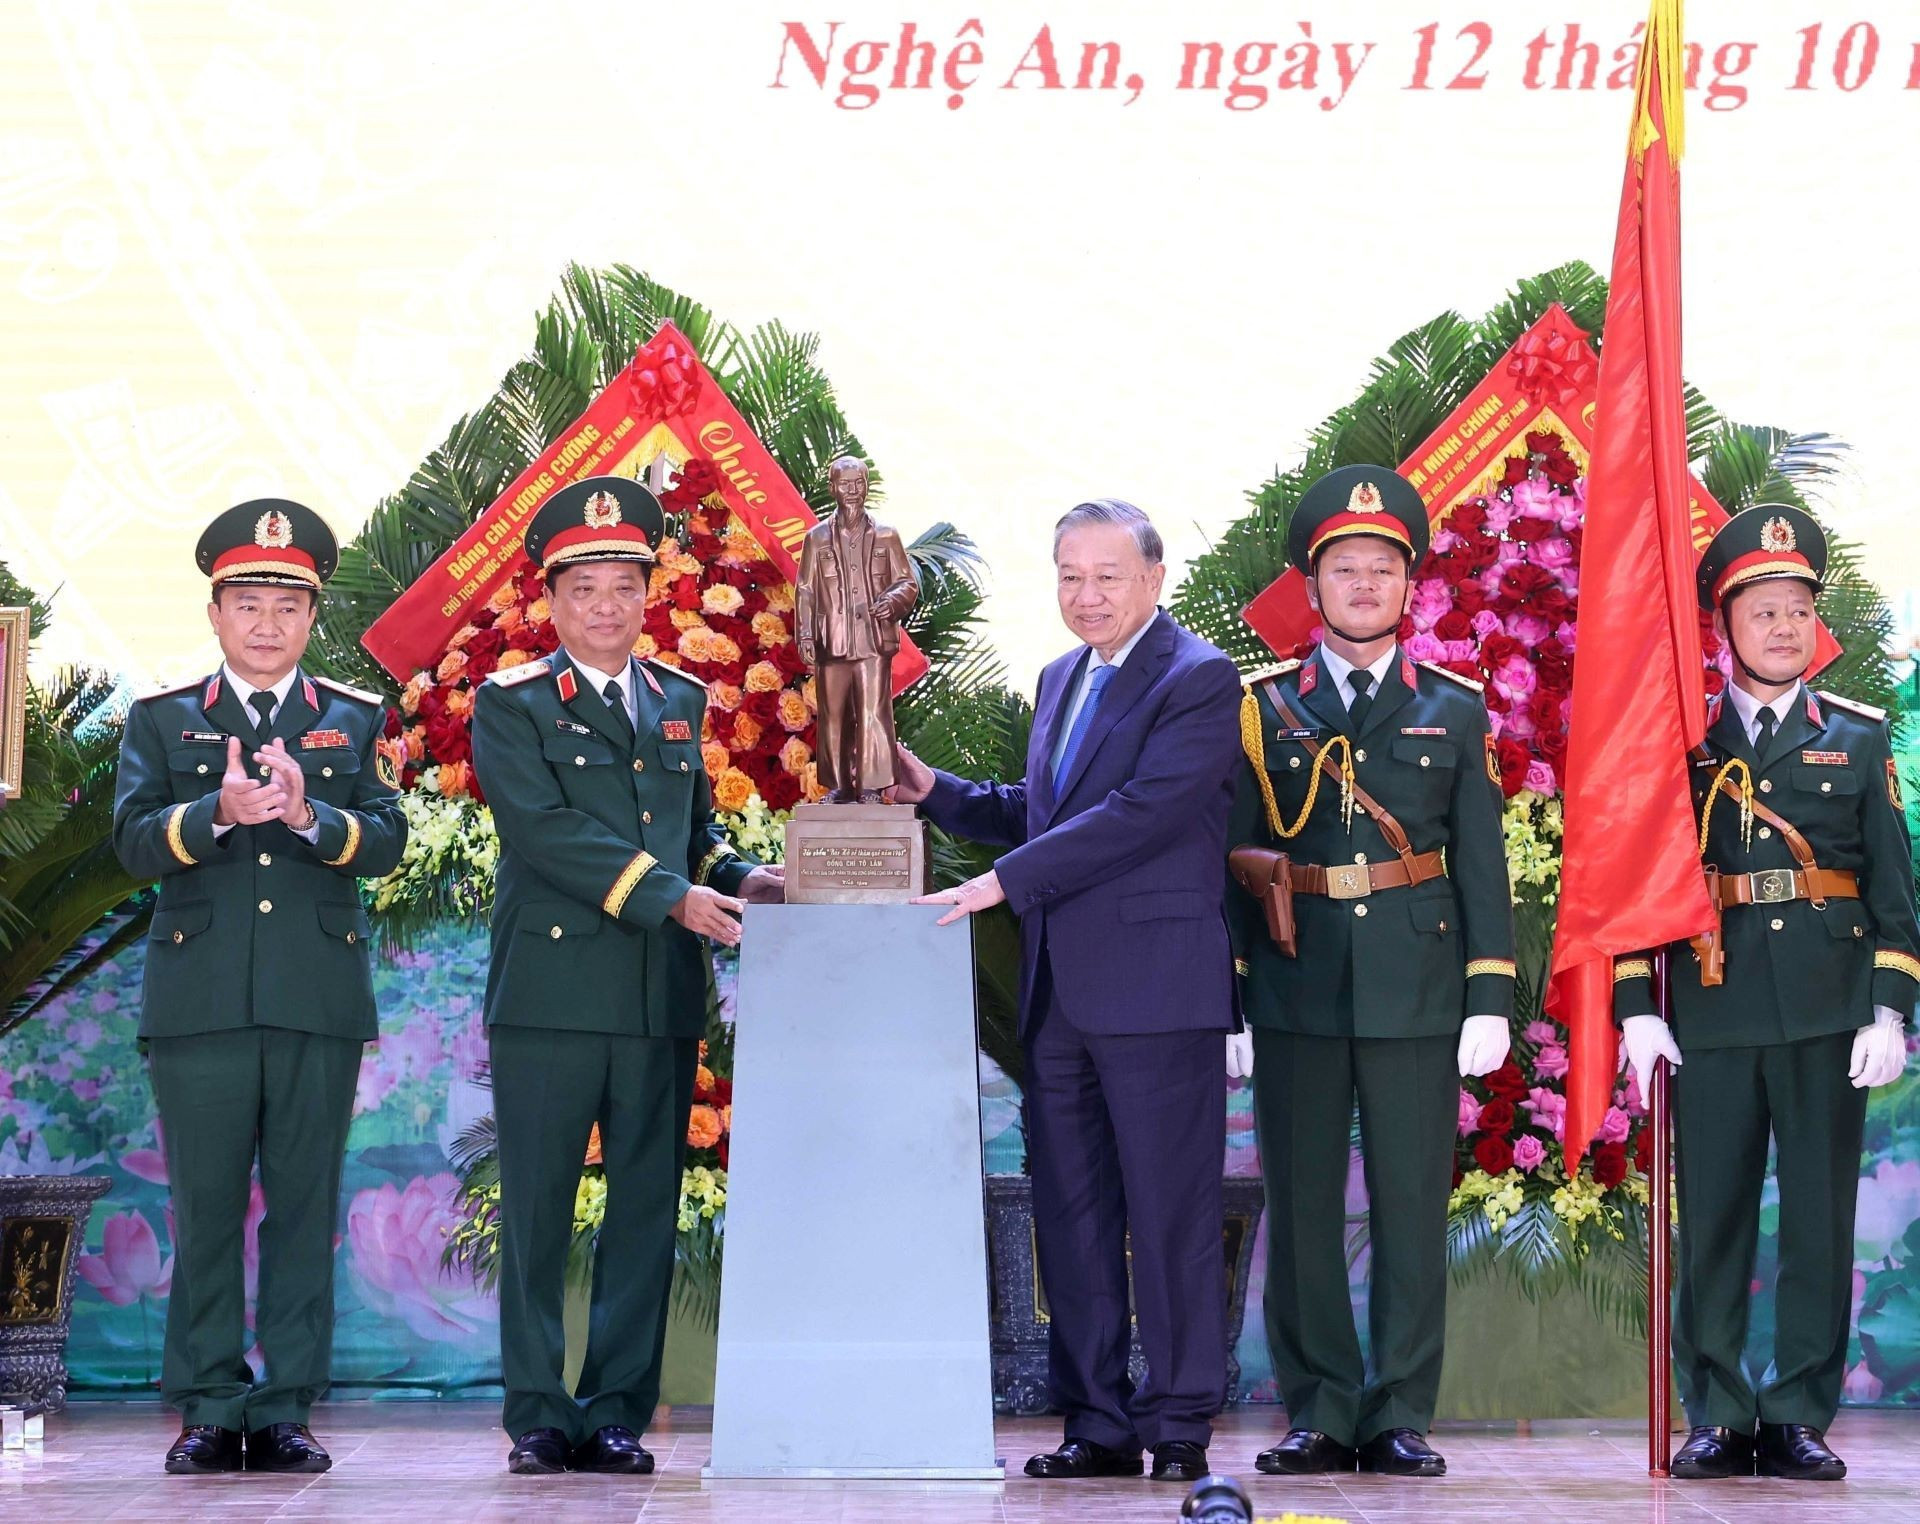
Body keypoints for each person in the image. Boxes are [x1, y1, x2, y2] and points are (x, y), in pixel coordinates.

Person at [893, 498, 1241, 1485]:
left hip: (1158, 994)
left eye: (1108, 577)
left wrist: (1002, 883)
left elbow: (1141, 815)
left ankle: (1177, 1424)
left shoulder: (1199, 677)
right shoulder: (1059, 677)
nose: (1086, 597)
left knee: (1170, 1214)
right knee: (1073, 1214)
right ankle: (1095, 1422)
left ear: (1154, 580)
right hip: (1061, 997)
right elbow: (1047, 813)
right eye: (1069, 577)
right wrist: (936, 790)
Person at [470, 474, 784, 1476]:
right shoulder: (511, 703)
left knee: (646, 1208)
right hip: (554, 997)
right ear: (551, 601)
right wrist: (675, 897)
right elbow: (547, 832)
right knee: (538, 1211)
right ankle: (535, 1415)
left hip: (656, 993)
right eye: (585, 588)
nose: (606, 606)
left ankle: (615, 1409)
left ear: (648, 593)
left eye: (623, 586)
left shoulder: (681, 698)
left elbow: (694, 834)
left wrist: (747, 875)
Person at [1613, 504, 1917, 1482]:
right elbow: (1637, 886)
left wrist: (1888, 1009)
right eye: (1763, 612)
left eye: (1797, 611)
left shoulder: (1860, 743)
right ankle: (1719, 1410)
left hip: (1828, 1009)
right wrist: (1637, 1006)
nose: (1783, 628)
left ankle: (1797, 1413)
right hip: (1711, 1002)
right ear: (1724, 627)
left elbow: (1894, 895)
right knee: (1714, 1217)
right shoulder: (1679, 743)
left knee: (1821, 1220)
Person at [1226, 465, 1515, 1478]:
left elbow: (1482, 861)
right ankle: (1318, 1407)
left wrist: (1490, 993)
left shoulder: (1456, 709)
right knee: (1303, 1207)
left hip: (1418, 985)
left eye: (1381, 569)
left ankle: (1397, 1411)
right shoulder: (1261, 707)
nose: (1362, 585)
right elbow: (1234, 853)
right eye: (1343, 568)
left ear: (1409, 588)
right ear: (1313, 587)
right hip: (1296, 981)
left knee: (1406, 1205)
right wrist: (1232, 992)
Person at [112, 499, 406, 1475]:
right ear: (216, 613)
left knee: (302, 1204)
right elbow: (131, 842)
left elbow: (388, 841)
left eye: (287, 603)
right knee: (203, 1207)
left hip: (315, 997)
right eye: (248, 601)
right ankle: (208, 1403)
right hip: (200, 1005)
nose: (268, 621)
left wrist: (315, 816)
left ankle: (283, 1408)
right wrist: (216, 812)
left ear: (313, 616)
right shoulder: (162, 722)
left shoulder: (352, 722)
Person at [795, 455, 917, 801]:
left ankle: (873, 787)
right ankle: (839, 787)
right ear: (832, 488)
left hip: (873, 641)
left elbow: (907, 582)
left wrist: (892, 602)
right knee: (833, 715)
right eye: (845, 483)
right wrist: (805, 632)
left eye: (859, 483)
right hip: (831, 640)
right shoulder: (817, 538)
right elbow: (805, 588)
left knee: (873, 713)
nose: (853, 491)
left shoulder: (886, 535)